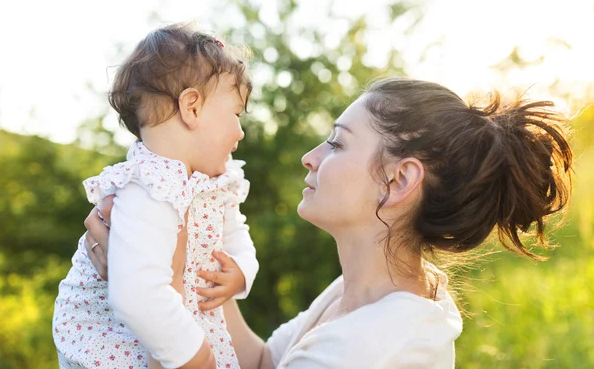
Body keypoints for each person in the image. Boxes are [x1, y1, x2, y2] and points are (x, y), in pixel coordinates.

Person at [85, 78, 573, 368]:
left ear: (399, 181)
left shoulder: (370, 348)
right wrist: (192, 273)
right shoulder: (362, 294)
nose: (309, 157)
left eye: (337, 143)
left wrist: (149, 290)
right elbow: (262, 364)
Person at [53, 24, 260, 369]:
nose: (240, 131)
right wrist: (194, 355)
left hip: (169, 331)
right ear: (191, 107)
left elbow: (237, 236)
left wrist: (242, 272)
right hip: (117, 344)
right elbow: (137, 294)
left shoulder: (215, 182)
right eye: (236, 114)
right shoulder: (147, 188)